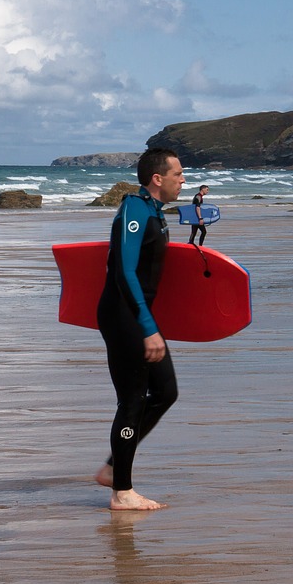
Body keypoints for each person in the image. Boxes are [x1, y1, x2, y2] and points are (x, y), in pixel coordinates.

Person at [94, 148, 186, 511]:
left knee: (165, 392)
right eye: (178, 174)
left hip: (137, 315)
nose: (183, 180)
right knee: (132, 400)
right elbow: (124, 273)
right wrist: (148, 328)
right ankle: (122, 491)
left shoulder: (153, 212)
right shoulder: (134, 209)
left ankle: (114, 469)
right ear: (157, 179)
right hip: (124, 316)